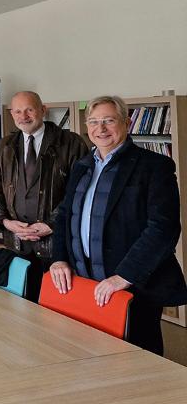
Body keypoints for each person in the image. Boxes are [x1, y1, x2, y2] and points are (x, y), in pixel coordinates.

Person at [50, 95, 187, 355]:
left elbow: (163, 228)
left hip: (132, 286)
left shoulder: (154, 166)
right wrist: (59, 259)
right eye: (94, 121)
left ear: (126, 122)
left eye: (108, 121)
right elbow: (65, 217)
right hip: (85, 281)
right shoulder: (82, 166)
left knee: (138, 359)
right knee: (92, 354)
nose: (100, 129)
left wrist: (123, 277)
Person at [0, 91, 88, 300]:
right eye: (17, 111)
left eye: (29, 109)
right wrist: (5, 221)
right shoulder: (4, 146)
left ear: (43, 110)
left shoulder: (71, 143)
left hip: (56, 245)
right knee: (21, 305)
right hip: (17, 242)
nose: (23, 116)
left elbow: (79, 191)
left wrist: (52, 224)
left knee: (56, 309)